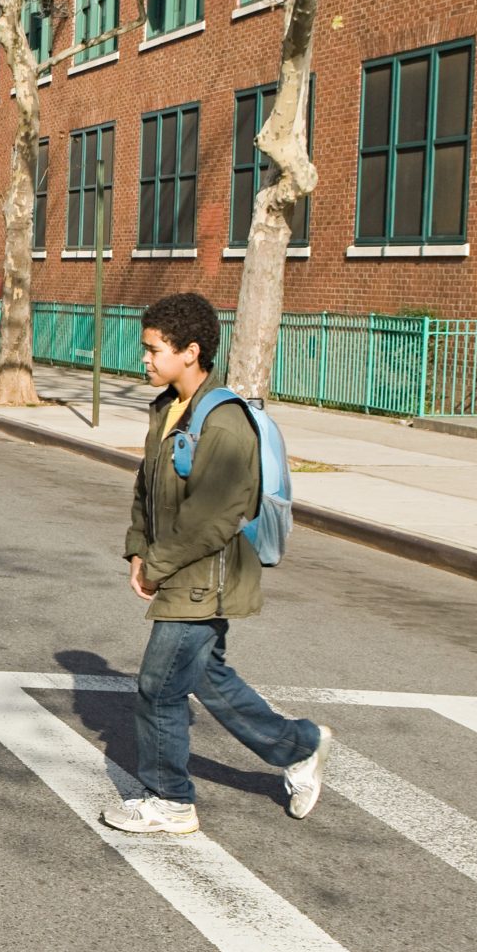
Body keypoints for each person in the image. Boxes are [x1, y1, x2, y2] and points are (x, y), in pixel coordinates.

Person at [108, 292, 330, 835]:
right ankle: (301, 746)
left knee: (159, 687)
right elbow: (147, 488)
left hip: (206, 576)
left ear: (191, 351)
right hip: (178, 568)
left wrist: (158, 563)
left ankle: (171, 799)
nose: (145, 358)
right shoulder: (167, 409)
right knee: (208, 678)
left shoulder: (225, 423)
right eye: (145, 348)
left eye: (154, 349)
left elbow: (216, 517)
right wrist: (139, 546)